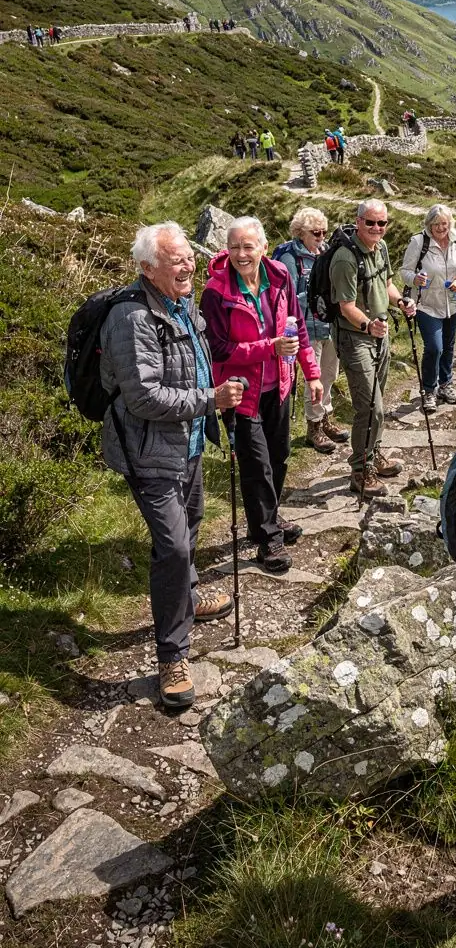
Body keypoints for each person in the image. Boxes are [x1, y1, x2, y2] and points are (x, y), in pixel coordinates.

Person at [99, 221, 242, 710]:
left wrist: (213, 401)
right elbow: (143, 396)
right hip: (149, 451)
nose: (189, 266)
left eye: (189, 258)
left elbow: (196, 364)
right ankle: (172, 658)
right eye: (176, 260)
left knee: (192, 527)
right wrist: (212, 399)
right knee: (174, 547)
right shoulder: (132, 319)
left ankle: (189, 597)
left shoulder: (181, 305)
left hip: (189, 444)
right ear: (147, 268)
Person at [201, 217, 322, 574]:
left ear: (263, 247)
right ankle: (268, 540)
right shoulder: (216, 291)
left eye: (248, 246)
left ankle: (264, 520)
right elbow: (219, 349)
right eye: (234, 246)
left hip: (280, 385)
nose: (240, 254)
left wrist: (311, 373)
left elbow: (296, 326)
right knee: (257, 465)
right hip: (239, 392)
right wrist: (268, 348)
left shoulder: (280, 277)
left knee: (280, 455)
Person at [330, 199, 416, 497]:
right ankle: (359, 469)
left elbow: (387, 284)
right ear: (358, 222)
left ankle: (373, 454)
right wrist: (368, 326)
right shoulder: (345, 258)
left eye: (382, 223)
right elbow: (345, 306)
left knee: (377, 403)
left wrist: (401, 301)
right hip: (356, 338)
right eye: (371, 223)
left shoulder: (380, 249)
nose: (377, 228)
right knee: (370, 407)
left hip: (380, 335)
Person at [277, 207, 349, 453]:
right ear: (300, 232)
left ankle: (325, 417)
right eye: (315, 232)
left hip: (329, 323)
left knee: (330, 373)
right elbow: (285, 298)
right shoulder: (289, 257)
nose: (321, 237)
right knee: (313, 378)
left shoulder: (326, 251)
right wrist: (318, 292)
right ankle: (313, 427)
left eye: (324, 232)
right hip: (306, 327)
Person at [400, 204, 456, 411]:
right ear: (429, 224)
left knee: (449, 346)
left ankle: (446, 383)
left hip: (454, 302)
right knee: (434, 347)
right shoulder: (419, 242)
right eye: (436, 224)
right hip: (426, 304)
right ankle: (428, 390)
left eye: (444, 223)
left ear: (450, 222)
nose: (441, 228)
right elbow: (404, 271)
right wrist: (414, 279)